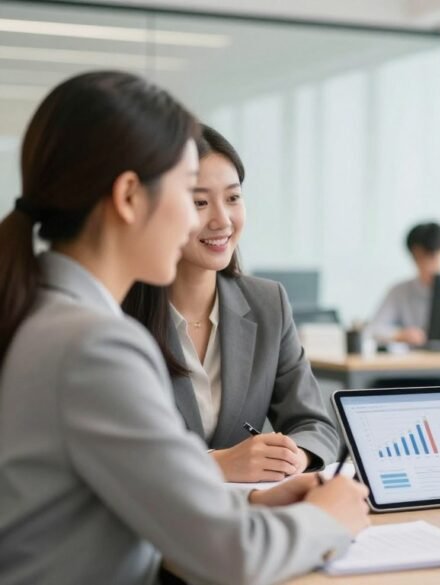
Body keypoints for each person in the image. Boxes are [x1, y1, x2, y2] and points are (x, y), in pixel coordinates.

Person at [0, 71, 368, 585]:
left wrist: (252, 503)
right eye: (188, 193)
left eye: (231, 197)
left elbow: (121, 498)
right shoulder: (93, 344)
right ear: (130, 197)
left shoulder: (42, 312)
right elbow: (230, 558)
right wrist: (329, 519)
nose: (207, 222)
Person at [123, 125, 338, 482]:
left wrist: (294, 456)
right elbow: (113, 453)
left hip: (248, 508)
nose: (222, 220)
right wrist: (214, 464)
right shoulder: (117, 311)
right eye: (199, 202)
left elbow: (314, 424)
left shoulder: (268, 302)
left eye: (233, 198)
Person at [367, 221, 440, 346]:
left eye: (433, 257)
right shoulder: (400, 291)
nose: (428, 266)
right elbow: (373, 330)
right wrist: (400, 334)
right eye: (420, 258)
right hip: (415, 357)